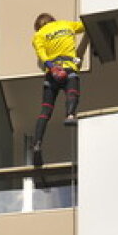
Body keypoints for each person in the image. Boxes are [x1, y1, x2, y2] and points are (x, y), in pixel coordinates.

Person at [30, 12, 90, 161]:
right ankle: (70, 115)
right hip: (68, 68)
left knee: (46, 109)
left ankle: (37, 143)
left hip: (52, 74)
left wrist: (51, 66)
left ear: (38, 26)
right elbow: (85, 25)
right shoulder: (66, 25)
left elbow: (41, 52)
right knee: (72, 92)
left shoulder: (39, 35)